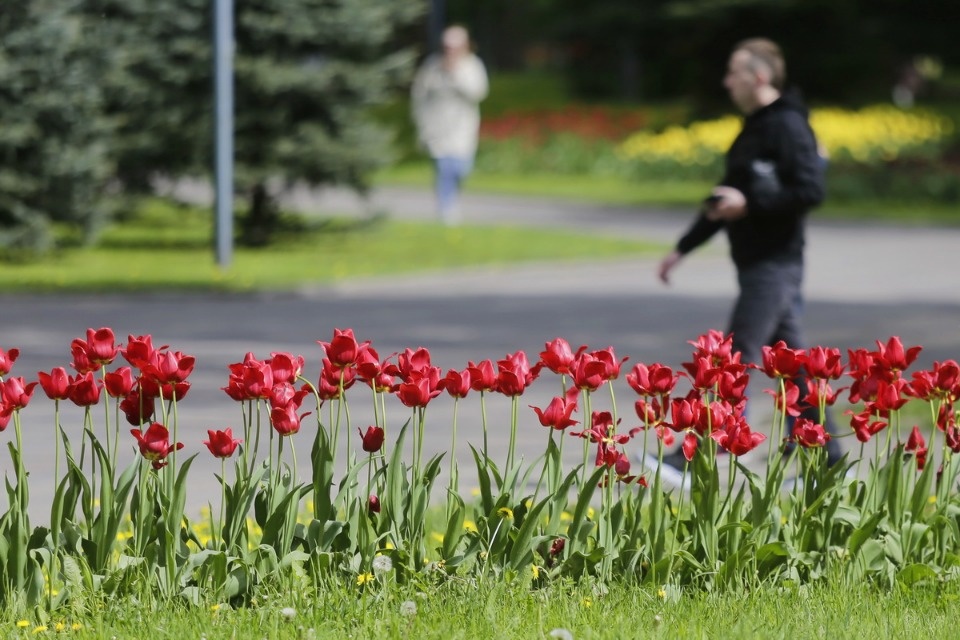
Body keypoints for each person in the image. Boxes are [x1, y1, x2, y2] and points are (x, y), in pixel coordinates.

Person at [650, 38, 843, 484]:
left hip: (775, 264)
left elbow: (809, 191)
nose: (726, 81)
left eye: (733, 72)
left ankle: (690, 459)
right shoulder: (754, 127)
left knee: (731, 360)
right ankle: (829, 463)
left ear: (759, 77)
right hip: (756, 264)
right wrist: (683, 247)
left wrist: (751, 203)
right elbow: (727, 196)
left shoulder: (790, 126)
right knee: (795, 368)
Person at [411, 25, 489, 226]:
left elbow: (478, 92)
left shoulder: (472, 66)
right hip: (436, 128)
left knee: (461, 168)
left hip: (463, 128)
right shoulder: (432, 66)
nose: (450, 51)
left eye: (454, 47)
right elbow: (419, 95)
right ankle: (447, 210)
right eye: (447, 47)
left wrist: (455, 75)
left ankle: (452, 199)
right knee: (444, 168)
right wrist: (420, 123)